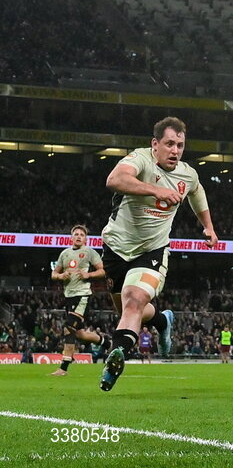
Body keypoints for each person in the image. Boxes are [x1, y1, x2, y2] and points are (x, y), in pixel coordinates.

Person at [99, 116, 218, 391]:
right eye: (169, 144)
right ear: (155, 144)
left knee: (134, 301)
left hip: (153, 250)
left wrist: (209, 226)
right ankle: (162, 320)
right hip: (116, 249)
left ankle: (116, 357)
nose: (175, 151)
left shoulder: (187, 174)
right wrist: (157, 190)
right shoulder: (140, 159)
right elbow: (115, 179)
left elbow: (196, 192)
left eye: (180, 145)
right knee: (129, 310)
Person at [49, 225, 109, 376]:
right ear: (71, 237)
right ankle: (107, 343)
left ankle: (64, 367)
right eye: (76, 234)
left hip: (83, 296)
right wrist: (61, 276)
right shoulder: (65, 254)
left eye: (82, 234)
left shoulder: (89, 252)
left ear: (85, 239)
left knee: (69, 327)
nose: (78, 236)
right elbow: (54, 274)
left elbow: (102, 270)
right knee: (80, 334)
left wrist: (89, 275)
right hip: (69, 297)